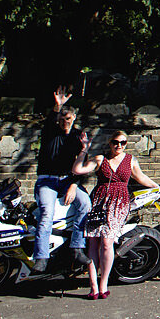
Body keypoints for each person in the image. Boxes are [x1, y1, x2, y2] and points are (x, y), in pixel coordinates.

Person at [72, 129, 158, 298]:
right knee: (93, 243)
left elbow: (141, 177)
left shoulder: (130, 160)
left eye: (123, 143)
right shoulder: (100, 159)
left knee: (107, 242)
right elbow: (77, 170)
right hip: (99, 202)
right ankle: (93, 287)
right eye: (116, 142)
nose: (119, 145)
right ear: (110, 143)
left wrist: (157, 187)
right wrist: (84, 149)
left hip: (119, 204)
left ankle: (103, 284)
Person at [32, 87, 91, 273]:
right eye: (62, 119)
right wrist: (58, 106)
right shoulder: (51, 131)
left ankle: (77, 247)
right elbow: (50, 120)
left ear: (74, 118)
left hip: (67, 179)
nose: (65, 121)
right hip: (47, 180)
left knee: (85, 205)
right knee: (46, 213)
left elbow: (81, 166)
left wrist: (74, 185)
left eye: (68, 118)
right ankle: (41, 257)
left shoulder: (77, 136)